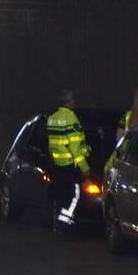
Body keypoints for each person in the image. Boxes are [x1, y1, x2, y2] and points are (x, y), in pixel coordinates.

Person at [47, 90, 91, 237]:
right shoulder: (71, 118)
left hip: (57, 164)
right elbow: (74, 147)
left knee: (61, 196)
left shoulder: (52, 118)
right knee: (74, 197)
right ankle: (65, 226)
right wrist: (85, 168)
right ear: (70, 102)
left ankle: (59, 226)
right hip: (69, 165)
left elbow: (52, 144)